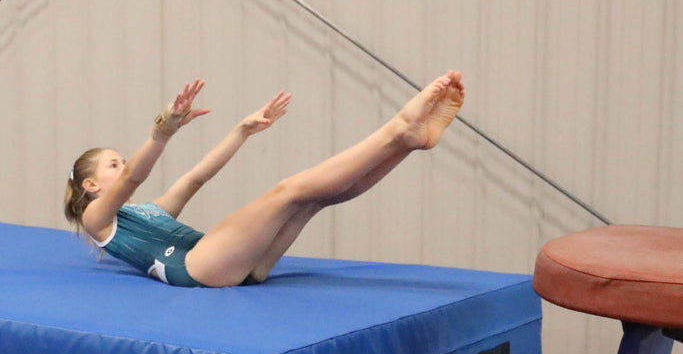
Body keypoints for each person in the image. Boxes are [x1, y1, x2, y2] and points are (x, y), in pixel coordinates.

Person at [63, 71, 465, 287]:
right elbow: (133, 176)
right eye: (112, 164)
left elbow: (197, 176)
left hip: (237, 266)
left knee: (313, 200)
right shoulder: (99, 222)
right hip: (197, 268)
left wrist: (242, 130)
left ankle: (405, 144)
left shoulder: (148, 213)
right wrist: (163, 131)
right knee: (288, 191)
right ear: (91, 187)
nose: (122, 166)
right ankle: (395, 130)